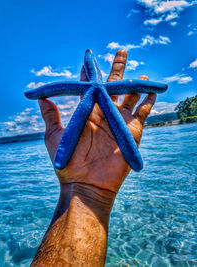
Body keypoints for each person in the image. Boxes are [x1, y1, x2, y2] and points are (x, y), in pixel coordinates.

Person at [31, 49, 156, 266]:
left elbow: (45, 91)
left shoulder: (90, 90)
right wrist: (87, 189)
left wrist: (79, 187)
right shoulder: (96, 90)